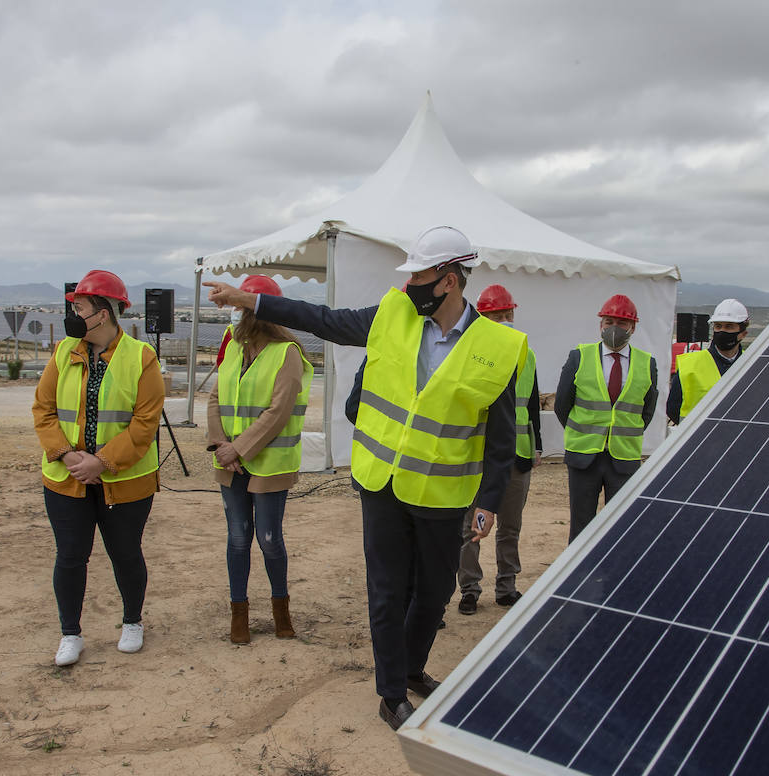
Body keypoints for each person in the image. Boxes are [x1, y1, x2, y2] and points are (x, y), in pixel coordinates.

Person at [205, 225, 528, 730]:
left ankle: (413, 668)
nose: (409, 284)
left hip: (443, 492)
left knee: (435, 592)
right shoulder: (391, 314)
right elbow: (323, 319)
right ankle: (391, 692)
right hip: (381, 484)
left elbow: (502, 434)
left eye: (418, 275)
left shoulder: (499, 346)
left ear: (448, 279)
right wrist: (251, 300)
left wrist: (489, 500)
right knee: (387, 591)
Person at [32, 269, 162, 667]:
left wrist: (102, 462)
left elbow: (144, 424)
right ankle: (70, 633)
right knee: (70, 556)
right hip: (67, 478)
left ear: (102, 314)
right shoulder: (62, 352)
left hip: (124, 481)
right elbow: (43, 409)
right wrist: (65, 455)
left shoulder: (141, 357)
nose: (73, 315)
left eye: (80, 308)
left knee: (125, 554)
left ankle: (132, 622)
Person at [206, 275, 313, 644]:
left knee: (269, 539)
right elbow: (215, 398)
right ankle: (239, 614)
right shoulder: (232, 346)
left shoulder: (287, 353)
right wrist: (221, 445)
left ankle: (281, 609)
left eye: (238, 306)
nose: (234, 314)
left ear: (256, 310)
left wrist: (239, 448)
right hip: (230, 462)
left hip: (268, 465)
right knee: (238, 538)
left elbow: (278, 411)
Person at [456, 284, 541, 615]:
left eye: (507, 314)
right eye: (495, 316)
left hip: (517, 456)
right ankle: (470, 589)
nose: (503, 320)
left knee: (510, 527)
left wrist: (536, 446)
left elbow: (531, 405)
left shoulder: (527, 354)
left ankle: (507, 586)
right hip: (477, 456)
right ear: (481, 318)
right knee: (472, 527)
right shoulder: (470, 353)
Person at [554, 293, 658, 543]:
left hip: (624, 458)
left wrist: (622, 432)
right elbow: (562, 405)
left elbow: (647, 412)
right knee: (581, 527)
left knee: (620, 528)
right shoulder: (579, 357)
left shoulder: (647, 364)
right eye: (609, 322)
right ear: (600, 324)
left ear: (633, 327)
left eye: (621, 323)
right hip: (584, 456)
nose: (614, 328)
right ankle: (579, 569)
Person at [667, 298, 749, 424]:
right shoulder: (689, 364)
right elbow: (673, 408)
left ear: (743, 334)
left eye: (729, 326)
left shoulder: (751, 364)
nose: (722, 331)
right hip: (697, 435)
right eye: (718, 326)